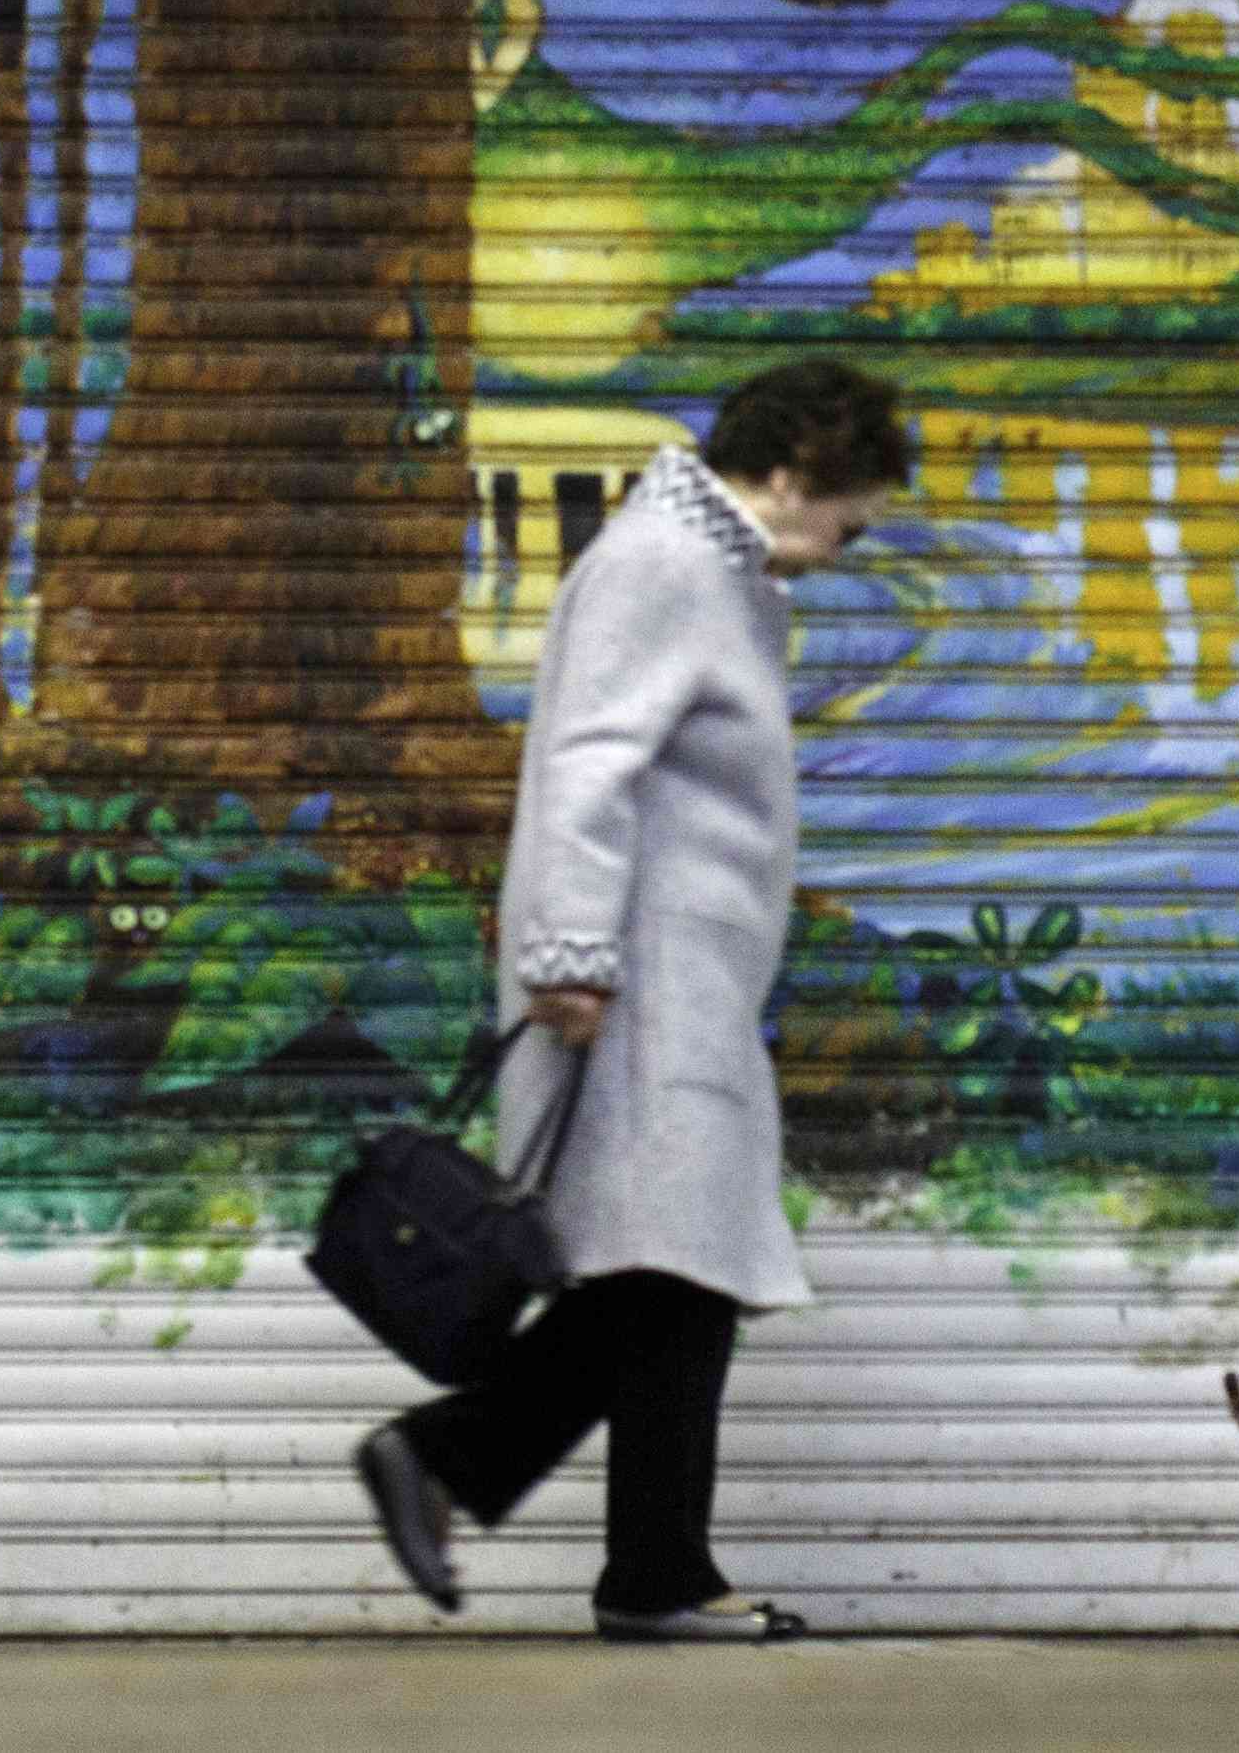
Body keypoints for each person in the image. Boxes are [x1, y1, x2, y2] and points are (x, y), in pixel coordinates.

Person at [354, 361, 915, 1644]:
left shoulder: (714, 571)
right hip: (632, 974)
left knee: (685, 1266)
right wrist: (567, 951)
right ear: (787, 476)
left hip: (681, 972)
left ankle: (654, 1568)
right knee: (663, 1266)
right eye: (848, 518)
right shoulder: (663, 560)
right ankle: (445, 1455)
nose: (842, 549)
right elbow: (585, 760)